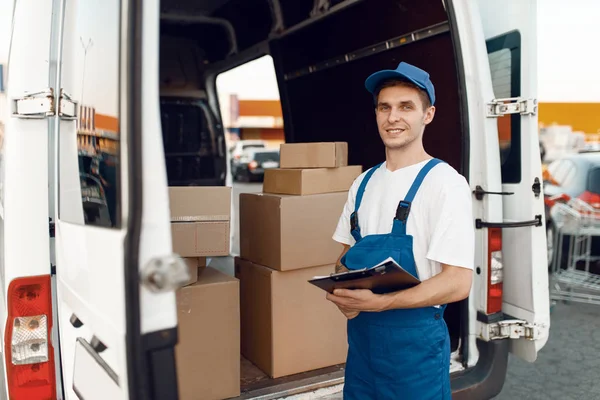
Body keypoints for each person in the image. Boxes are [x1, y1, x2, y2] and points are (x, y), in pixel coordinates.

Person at [326, 61, 475, 399]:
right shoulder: (362, 183)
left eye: (406, 107)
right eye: (384, 107)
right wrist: (343, 294)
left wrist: (382, 303)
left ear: (428, 114)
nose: (392, 117)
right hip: (362, 350)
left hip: (415, 353)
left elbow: (457, 282)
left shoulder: (445, 184)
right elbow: (345, 257)